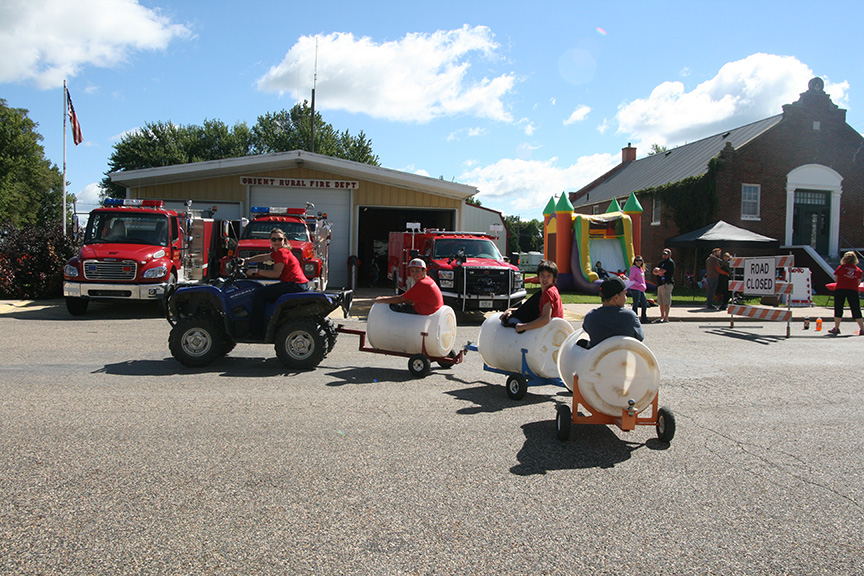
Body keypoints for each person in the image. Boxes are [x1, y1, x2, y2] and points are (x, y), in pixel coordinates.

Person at [243, 228, 310, 335]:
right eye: (274, 239)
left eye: (279, 239)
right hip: (298, 284)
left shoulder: (281, 253)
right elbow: (264, 257)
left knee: (258, 294)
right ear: (270, 240)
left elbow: (276, 273)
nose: (277, 242)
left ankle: (255, 332)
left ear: (284, 240)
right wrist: (246, 260)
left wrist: (256, 271)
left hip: (293, 284)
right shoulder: (280, 252)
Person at [500, 260, 563, 333]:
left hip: (548, 332)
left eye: (548, 276)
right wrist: (511, 310)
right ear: (538, 276)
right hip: (555, 329)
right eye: (542, 275)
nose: (544, 279)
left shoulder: (548, 293)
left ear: (554, 278)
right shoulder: (551, 290)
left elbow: (545, 319)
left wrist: (523, 326)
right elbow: (530, 309)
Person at [582, 276, 645, 347]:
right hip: (625, 356)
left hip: (600, 357)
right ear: (616, 298)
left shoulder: (590, 317)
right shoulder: (630, 316)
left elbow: (586, 330)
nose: (626, 298)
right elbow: (640, 337)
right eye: (625, 294)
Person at [375, 258, 443, 315]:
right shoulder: (428, 280)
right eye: (412, 271)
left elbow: (400, 299)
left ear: (424, 271)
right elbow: (409, 299)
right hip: (432, 310)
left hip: (426, 312)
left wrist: (381, 299)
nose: (414, 274)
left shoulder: (422, 283)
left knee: (392, 307)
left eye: (417, 271)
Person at [828, 251, 864, 336]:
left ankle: (836, 328)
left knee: (839, 307)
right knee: (856, 308)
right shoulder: (858, 270)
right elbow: (858, 282)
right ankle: (862, 328)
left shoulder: (841, 268)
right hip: (853, 290)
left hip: (840, 289)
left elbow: (836, 278)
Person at [652, 248, 675, 323]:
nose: (664, 255)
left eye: (666, 254)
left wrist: (658, 270)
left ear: (669, 255)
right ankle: (662, 316)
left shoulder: (670, 263)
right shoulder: (661, 262)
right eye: (663, 254)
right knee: (661, 302)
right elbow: (654, 272)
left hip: (667, 284)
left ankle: (666, 317)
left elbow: (662, 271)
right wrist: (657, 271)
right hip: (660, 284)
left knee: (666, 301)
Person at [628, 255, 648, 323]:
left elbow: (642, 279)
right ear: (635, 262)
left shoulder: (641, 269)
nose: (638, 262)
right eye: (637, 260)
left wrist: (644, 286)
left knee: (644, 303)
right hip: (635, 288)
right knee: (636, 304)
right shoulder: (633, 269)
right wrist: (639, 284)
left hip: (642, 289)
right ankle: (634, 319)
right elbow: (631, 279)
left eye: (640, 260)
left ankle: (644, 318)